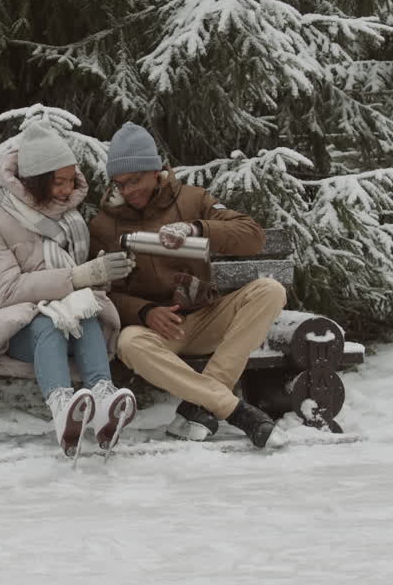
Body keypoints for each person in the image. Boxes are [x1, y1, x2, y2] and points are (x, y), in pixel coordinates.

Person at [88, 122, 289, 449]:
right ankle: (231, 409)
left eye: (135, 180)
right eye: (119, 183)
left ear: (155, 171)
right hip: (156, 333)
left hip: (205, 317)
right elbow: (102, 292)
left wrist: (197, 229)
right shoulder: (104, 224)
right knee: (127, 343)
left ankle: (201, 405)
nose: (127, 191)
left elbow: (253, 236)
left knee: (270, 291)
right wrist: (145, 310)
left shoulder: (194, 199)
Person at [0, 122, 138, 457]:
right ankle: (63, 409)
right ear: (36, 181)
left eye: (70, 180)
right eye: (58, 182)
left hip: (69, 319)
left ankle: (103, 400)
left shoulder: (69, 218)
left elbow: (76, 280)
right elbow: (6, 290)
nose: (65, 190)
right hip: (12, 325)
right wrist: (79, 276)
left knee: (85, 312)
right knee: (49, 322)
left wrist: (100, 275)